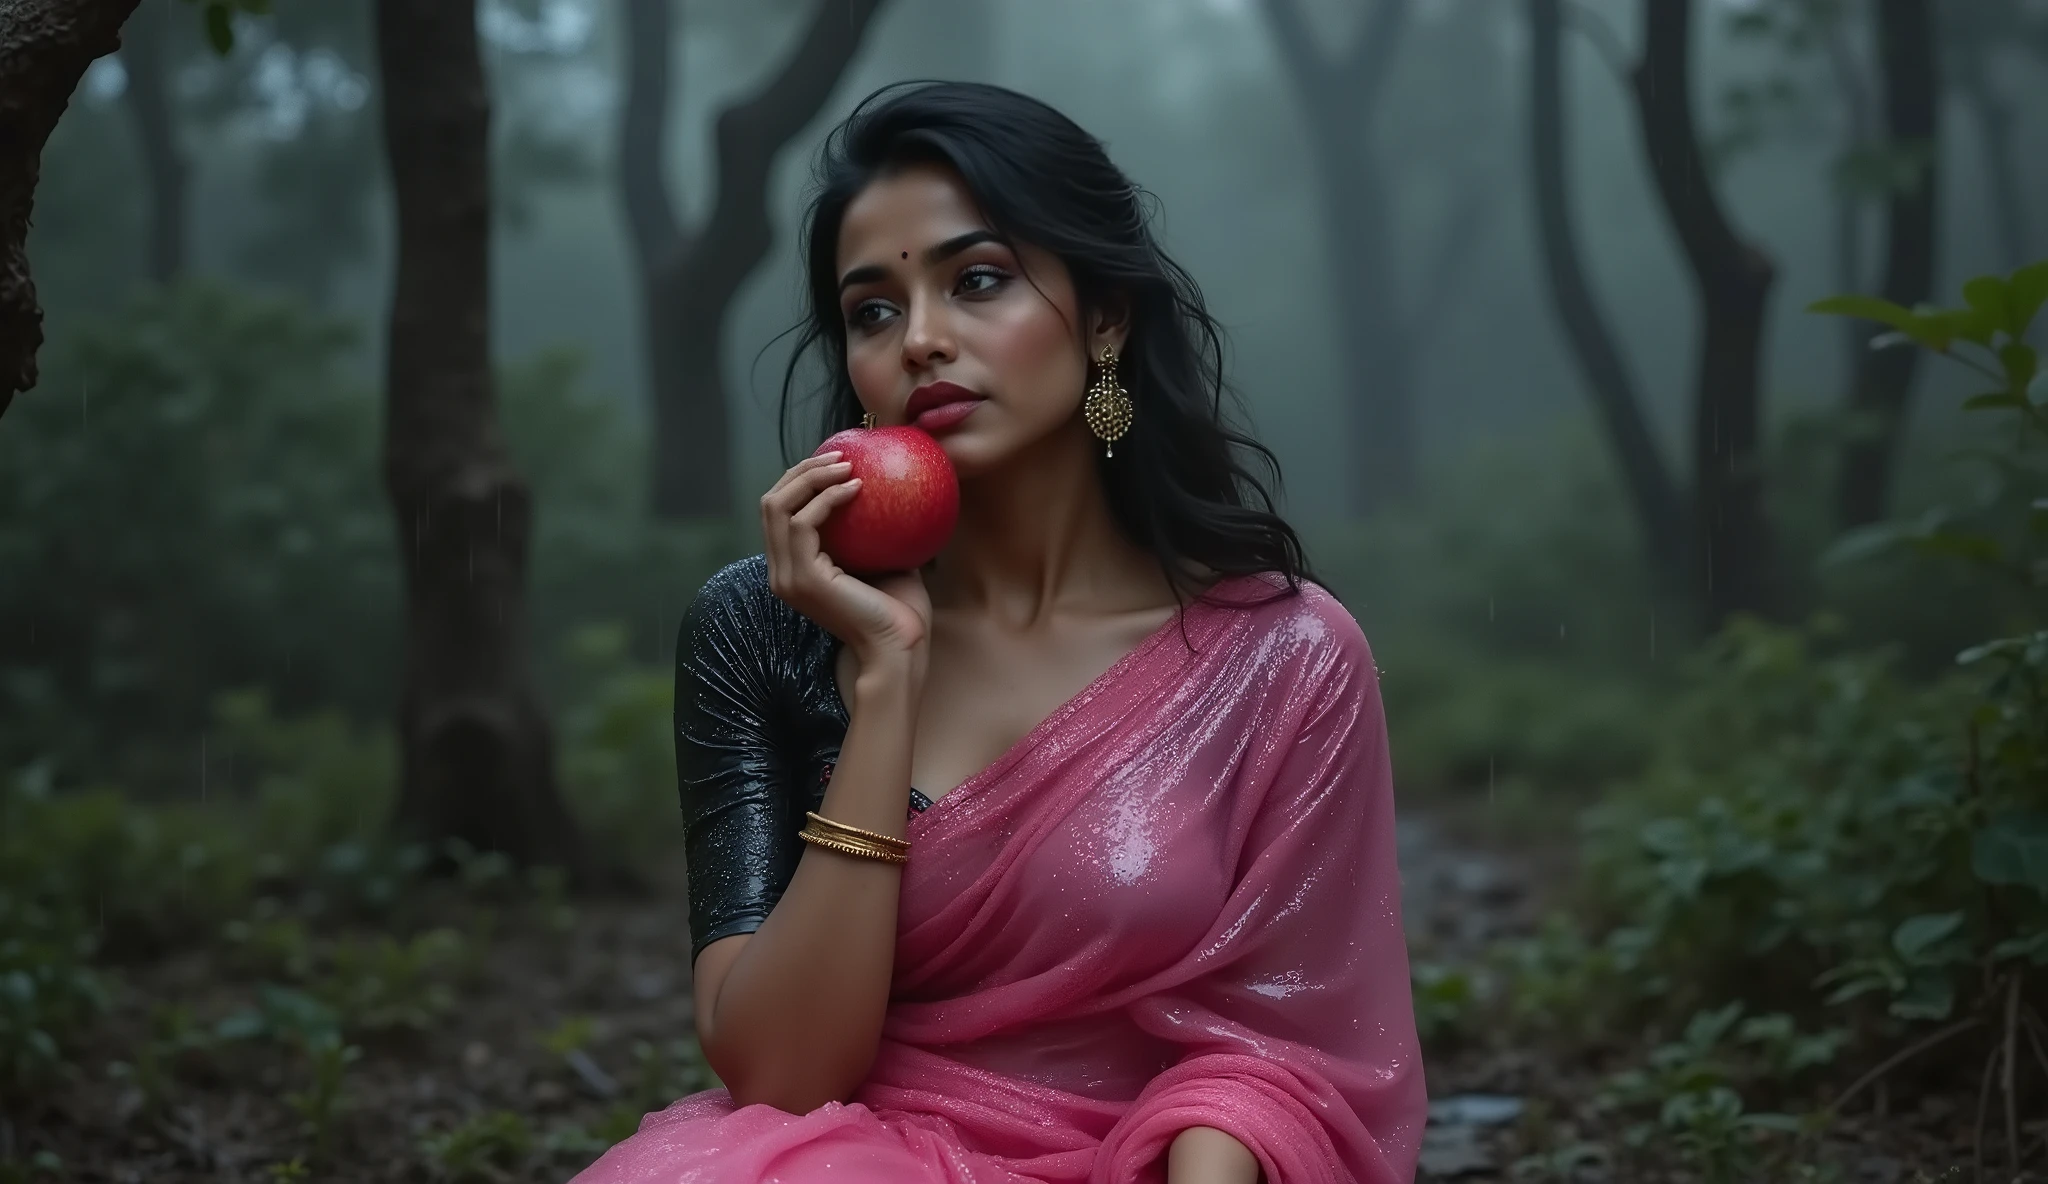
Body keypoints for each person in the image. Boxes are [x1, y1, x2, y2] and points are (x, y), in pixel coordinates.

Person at [571, 80, 1424, 1184]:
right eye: (873, 311)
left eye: (977, 281)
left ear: (1104, 315)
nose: (921, 340)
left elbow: (1288, 1053)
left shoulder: (1285, 654)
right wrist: (885, 679)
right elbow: (782, 1073)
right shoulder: (769, 627)